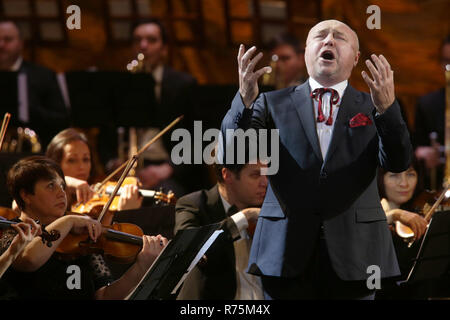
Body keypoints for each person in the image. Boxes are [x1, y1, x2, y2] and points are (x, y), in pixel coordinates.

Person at [221, 19, 412, 299]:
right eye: (320, 36)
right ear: (307, 52)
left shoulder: (374, 106)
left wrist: (387, 109)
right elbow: (232, 152)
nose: (329, 41)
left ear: (356, 57)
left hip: (357, 255)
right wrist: (244, 100)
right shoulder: (271, 103)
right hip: (285, 254)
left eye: (340, 37)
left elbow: (397, 163)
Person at [1, 156, 167, 299]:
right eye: (51, 186)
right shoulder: (11, 232)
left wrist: (141, 268)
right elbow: (29, 259)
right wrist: (69, 221)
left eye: (61, 185)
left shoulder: (79, 239)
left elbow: (103, 296)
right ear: (25, 195)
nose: (61, 193)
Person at [174, 159, 268, 300]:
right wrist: (243, 217)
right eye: (255, 175)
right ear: (227, 174)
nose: (265, 183)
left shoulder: (272, 205)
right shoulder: (193, 205)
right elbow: (190, 249)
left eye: (267, 174)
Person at [129, 18, 200, 196]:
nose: (143, 46)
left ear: (164, 48)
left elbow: (198, 138)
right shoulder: (122, 84)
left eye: (151, 40)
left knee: (166, 199)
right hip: (128, 170)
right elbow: (107, 135)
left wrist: (168, 168)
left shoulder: (184, 84)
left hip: (168, 170)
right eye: (138, 40)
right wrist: (113, 162)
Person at [0, 19, 69, 149]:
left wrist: (32, 111)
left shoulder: (43, 75)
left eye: (8, 40)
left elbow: (62, 120)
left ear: (21, 43)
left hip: (34, 153)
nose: (1, 45)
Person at [45, 128, 143, 217]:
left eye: (86, 159)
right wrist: (66, 181)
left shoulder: (98, 186)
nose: (81, 167)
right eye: (72, 160)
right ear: (56, 163)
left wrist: (119, 213)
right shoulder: (46, 197)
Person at [413, 35, 450, 189]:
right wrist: (421, 153)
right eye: (447, 61)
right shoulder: (427, 103)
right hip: (439, 188)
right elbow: (414, 147)